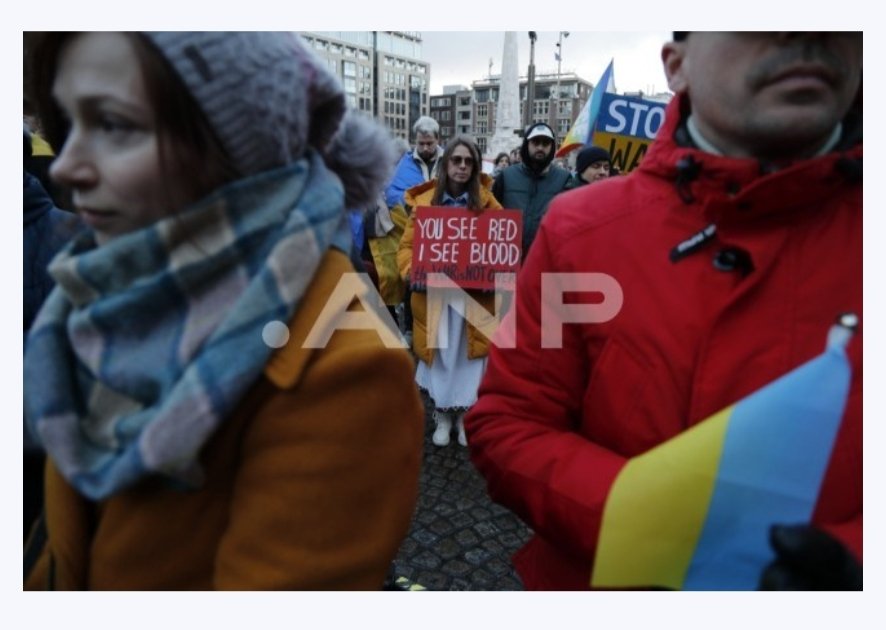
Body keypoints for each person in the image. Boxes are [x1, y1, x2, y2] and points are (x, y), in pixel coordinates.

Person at [23, 31, 424, 590]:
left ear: (233, 150)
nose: (64, 166)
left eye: (112, 124)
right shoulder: (99, 297)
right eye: (68, 123)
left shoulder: (345, 372)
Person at [466, 32, 862, 590]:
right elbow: (512, 421)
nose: (808, 31)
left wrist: (853, 559)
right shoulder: (580, 229)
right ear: (677, 65)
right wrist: (648, 522)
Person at [397, 136, 502, 447]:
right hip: (435, 298)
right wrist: (410, 273)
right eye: (456, 160)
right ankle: (443, 414)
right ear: (445, 165)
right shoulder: (425, 203)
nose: (462, 166)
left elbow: (502, 246)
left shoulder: (487, 203)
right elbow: (405, 248)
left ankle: (466, 416)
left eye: (468, 161)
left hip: (474, 300)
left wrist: (496, 276)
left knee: (470, 360)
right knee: (441, 357)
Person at [492, 122, 573, 259]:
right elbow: (491, 214)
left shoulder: (564, 179)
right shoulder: (506, 176)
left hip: (544, 261)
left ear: (552, 147)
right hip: (507, 259)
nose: (540, 147)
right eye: (535, 142)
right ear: (526, 145)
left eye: (546, 143)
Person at [384, 115, 443, 209]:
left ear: (437, 140)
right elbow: (391, 194)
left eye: (429, 143)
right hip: (413, 218)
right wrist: (412, 201)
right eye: (421, 143)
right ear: (416, 140)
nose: (425, 148)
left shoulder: (449, 161)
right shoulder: (404, 163)